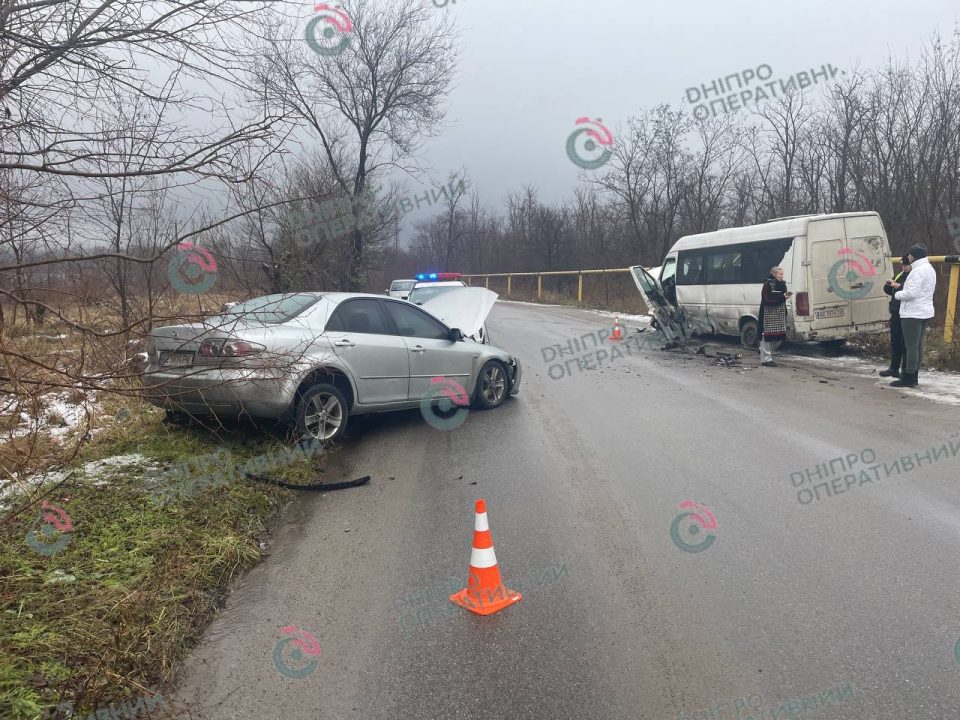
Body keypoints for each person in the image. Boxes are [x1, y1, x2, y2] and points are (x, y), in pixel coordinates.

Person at [890, 243, 936, 387]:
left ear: (914, 256)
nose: (908, 257)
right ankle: (914, 375)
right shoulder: (929, 269)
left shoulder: (917, 271)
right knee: (918, 345)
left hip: (912, 313)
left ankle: (908, 376)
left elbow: (911, 293)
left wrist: (897, 294)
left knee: (910, 346)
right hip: (925, 311)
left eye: (910, 254)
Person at [879, 255, 911, 377]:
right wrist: (889, 286)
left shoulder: (913, 275)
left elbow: (910, 291)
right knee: (895, 341)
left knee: (905, 343)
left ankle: (905, 370)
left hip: (906, 312)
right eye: (902, 265)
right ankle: (894, 368)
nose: (903, 267)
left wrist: (898, 286)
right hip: (895, 311)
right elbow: (891, 291)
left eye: (905, 265)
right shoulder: (900, 274)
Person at [757, 266, 792, 367]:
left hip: (780, 312)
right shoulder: (768, 284)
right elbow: (766, 299)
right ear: (774, 274)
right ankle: (766, 360)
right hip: (769, 312)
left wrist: (785, 297)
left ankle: (762, 351)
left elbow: (782, 296)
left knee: (779, 336)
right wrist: (781, 298)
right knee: (768, 336)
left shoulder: (782, 284)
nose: (782, 276)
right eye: (780, 274)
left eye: (782, 274)